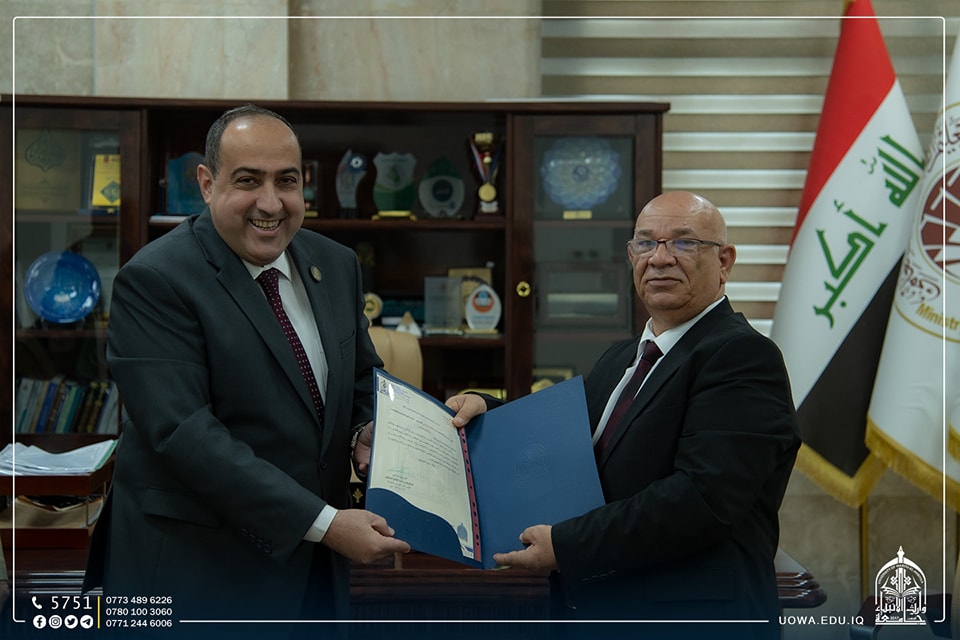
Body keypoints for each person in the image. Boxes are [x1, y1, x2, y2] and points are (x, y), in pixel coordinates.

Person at [83, 105, 410, 628]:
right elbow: (184, 434)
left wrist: (363, 430)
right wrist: (324, 523)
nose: (270, 203)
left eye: (286, 181)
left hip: (314, 574)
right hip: (198, 574)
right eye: (248, 181)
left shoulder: (335, 263)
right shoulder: (155, 280)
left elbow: (359, 380)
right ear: (207, 184)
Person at [447, 191, 801, 639]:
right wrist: (486, 410)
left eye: (684, 242)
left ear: (724, 261)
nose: (660, 258)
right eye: (646, 243)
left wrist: (566, 544)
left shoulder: (742, 355)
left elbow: (701, 500)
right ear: (632, 256)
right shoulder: (622, 357)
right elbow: (564, 438)